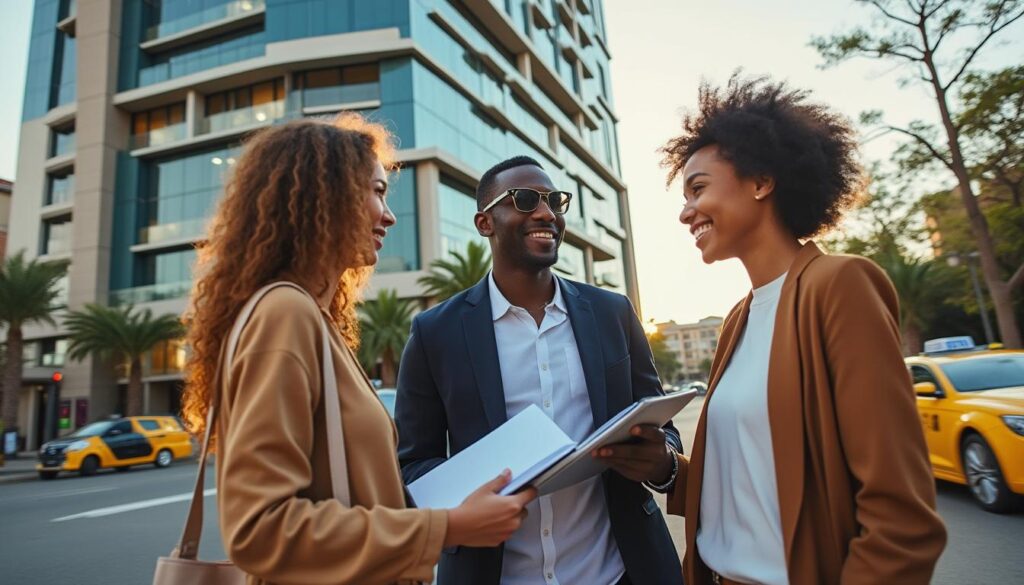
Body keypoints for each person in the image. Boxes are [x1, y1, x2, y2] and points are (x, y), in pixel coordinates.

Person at [180, 116, 534, 585]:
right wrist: (449, 526)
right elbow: (259, 530)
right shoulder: (285, 313)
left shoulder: (315, 319)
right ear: (322, 196)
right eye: (377, 191)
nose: (388, 214)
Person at [646, 74, 946, 584]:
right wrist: (665, 468)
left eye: (698, 188)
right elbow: (757, 482)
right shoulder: (739, 319)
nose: (684, 212)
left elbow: (901, 518)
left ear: (762, 181)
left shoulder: (839, 285)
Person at [395, 156, 684, 585]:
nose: (546, 213)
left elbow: (664, 427)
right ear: (484, 223)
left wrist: (661, 462)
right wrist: (465, 501)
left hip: (622, 572)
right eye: (525, 200)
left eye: (554, 201)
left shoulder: (613, 313)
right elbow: (413, 464)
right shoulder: (435, 333)